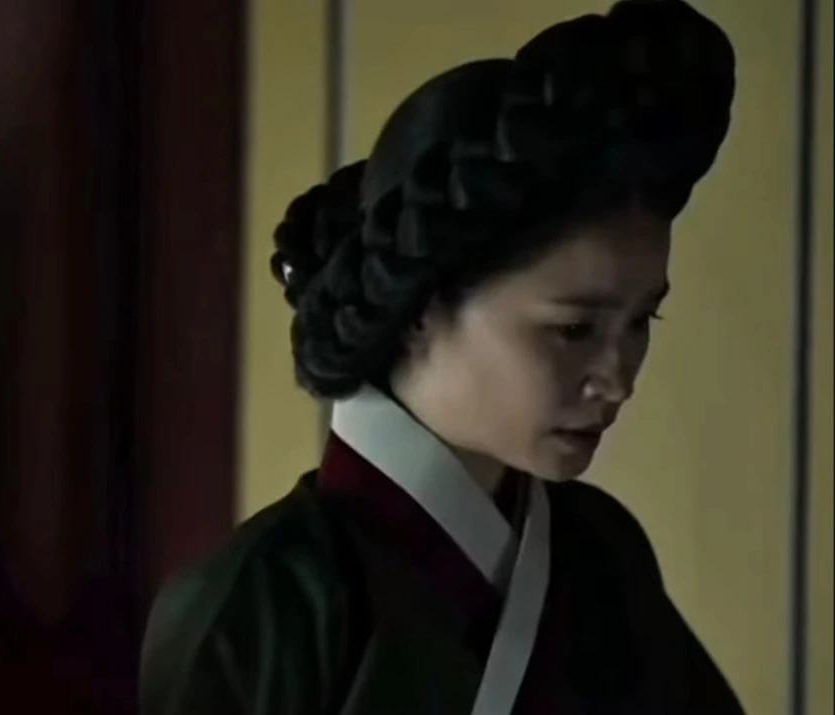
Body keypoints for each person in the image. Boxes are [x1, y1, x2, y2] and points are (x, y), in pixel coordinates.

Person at [138, 1, 745, 713]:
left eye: (642, 320)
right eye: (574, 328)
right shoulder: (260, 604)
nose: (619, 378)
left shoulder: (602, 554)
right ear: (421, 306)